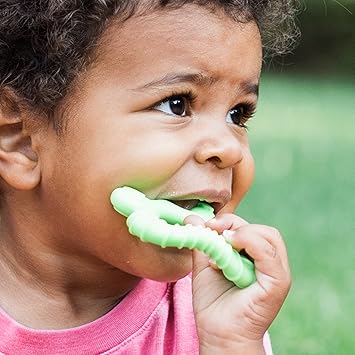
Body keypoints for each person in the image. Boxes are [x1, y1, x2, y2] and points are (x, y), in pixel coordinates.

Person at [0, 1, 298, 354]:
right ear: (22, 139)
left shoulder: (214, 310)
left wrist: (231, 343)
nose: (230, 150)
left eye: (238, 114)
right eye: (176, 104)